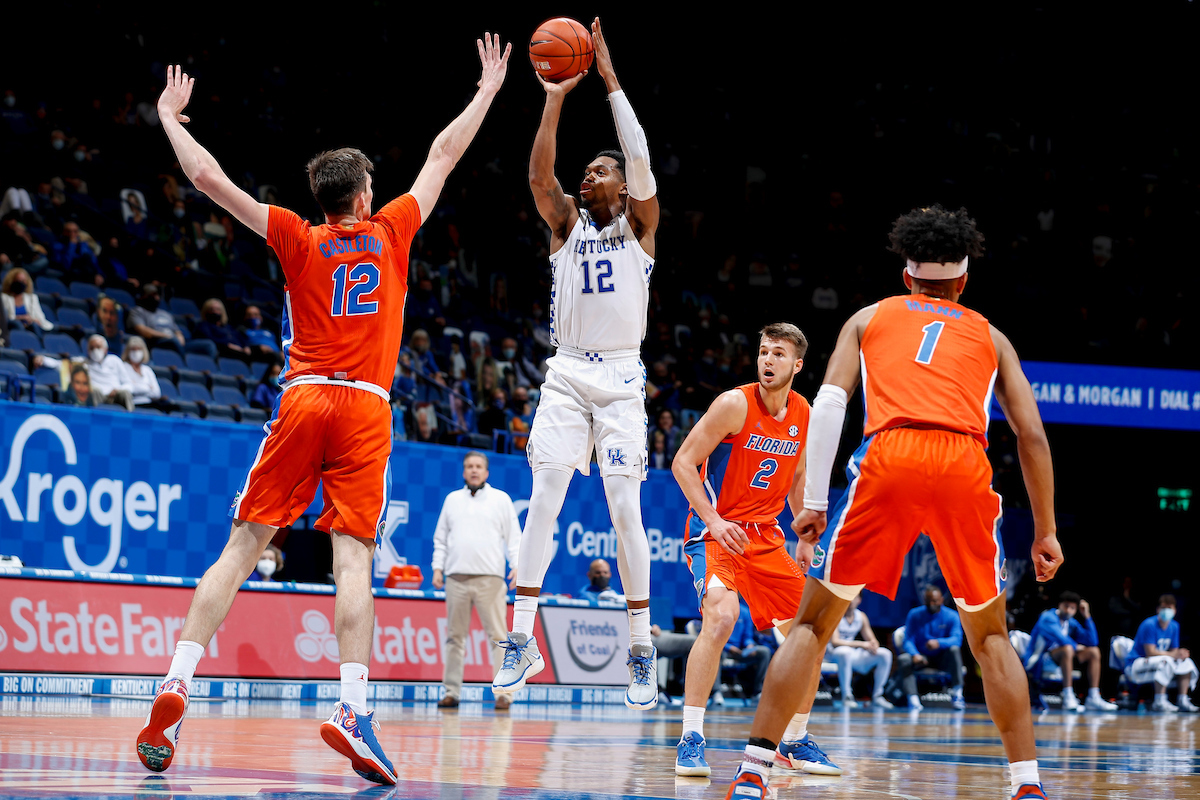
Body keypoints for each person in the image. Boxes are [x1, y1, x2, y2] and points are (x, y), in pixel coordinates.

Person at [136, 40, 511, 785]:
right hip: (366, 406)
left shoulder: (295, 236)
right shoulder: (393, 231)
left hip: (303, 396)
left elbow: (207, 177)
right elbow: (441, 155)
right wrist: (488, 89)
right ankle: (350, 705)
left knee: (243, 546)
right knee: (353, 560)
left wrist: (168, 117)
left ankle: (177, 680)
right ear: (366, 195)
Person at [724, 206, 1063, 800]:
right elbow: (1032, 436)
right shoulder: (991, 335)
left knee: (810, 624)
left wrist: (813, 501)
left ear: (907, 276)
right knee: (990, 638)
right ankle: (1027, 785)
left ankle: (753, 773)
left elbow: (829, 405)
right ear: (962, 282)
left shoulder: (868, 317)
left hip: (890, 455)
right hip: (964, 459)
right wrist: (1046, 531)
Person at [492, 18, 663, 712]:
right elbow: (538, 172)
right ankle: (520, 641)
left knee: (626, 510)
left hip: (622, 380)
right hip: (565, 373)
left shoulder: (641, 226)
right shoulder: (564, 224)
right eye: (587, 171)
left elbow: (644, 158)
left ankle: (642, 647)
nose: (589, 176)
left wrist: (612, 80)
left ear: (622, 189)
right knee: (544, 504)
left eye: (602, 171)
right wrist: (556, 94)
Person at [671, 324, 839, 778]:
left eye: (778, 354)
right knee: (722, 617)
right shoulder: (733, 403)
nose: (767, 360)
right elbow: (682, 463)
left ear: (797, 364)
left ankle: (795, 740)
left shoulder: (805, 415)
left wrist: (804, 535)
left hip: (765, 536)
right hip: (717, 532)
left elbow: (797, 482)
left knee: (810, 633)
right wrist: (713, 520)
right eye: (763, 351)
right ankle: (690, 737)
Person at [431, 451, 520, 711]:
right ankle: (451, 692)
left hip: (490, 579)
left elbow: (514, 537)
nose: (473, 470)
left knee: (499, 638)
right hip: (456, 577)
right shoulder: (452, 500)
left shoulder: (500, 499)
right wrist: (438, 567)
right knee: (454, 638)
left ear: (486, 472)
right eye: (469, 466)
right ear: (463, 471)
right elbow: (441, 538)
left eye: (478, 466)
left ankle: (504, 694)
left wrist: (516, 565)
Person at [1025, 591, 1116, 711]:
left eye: (1072, 608)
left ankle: (1093, 696)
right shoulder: (1048, 617)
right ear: (1060, 605)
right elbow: (1061, 639)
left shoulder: (1070, 622)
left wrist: (1087, 616)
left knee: (1094, 652)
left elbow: (1092, 641)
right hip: (1040, 660)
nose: (1068, 610)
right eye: (1066, 606)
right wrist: (1076, 646)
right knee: (1067, 649)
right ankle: (1068, 694)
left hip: (1061, 658)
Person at [1125, 594, 1199, 712]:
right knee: (1166, 661)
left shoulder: (1174, 626)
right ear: (1158, 609)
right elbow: (1150, 652)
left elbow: (1174, 650)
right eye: (1164, 608)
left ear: (1175, 610)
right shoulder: (1149, 624)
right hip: (1136, 662)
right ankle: (1159, 700)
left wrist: (1180, 654)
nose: (1166, 611)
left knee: (1187, 662)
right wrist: (1173, 655)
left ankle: (1183, 699)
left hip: (1155, 662)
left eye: (1170, 608)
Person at [896, 586, 965, 710]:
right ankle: (913, 699)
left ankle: (957, 694)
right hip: (922, 657)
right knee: (904, 659)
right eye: (928, 601)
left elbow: (957, 639)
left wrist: (939, 643)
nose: (931, 604)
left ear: (941, 600)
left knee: (954, 650)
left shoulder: (952, 616)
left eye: (935, 601)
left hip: (942, 658)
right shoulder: (915, 614)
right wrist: (914, 654)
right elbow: (908, 640)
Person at [829, 592, 893, 708]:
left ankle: (878, 695)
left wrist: (873, 645)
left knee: (885, 654)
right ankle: (847, 696)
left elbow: (872, 640)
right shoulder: (835, 614)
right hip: (834, 654)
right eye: (849, 596)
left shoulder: (861, 616)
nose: (851, 600)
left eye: (855, 597)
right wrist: (862, 644)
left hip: (852, 654)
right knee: (845, 652)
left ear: (859, 600)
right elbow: (835, 642)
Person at [128, 284, 186, 351]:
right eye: (152, 295)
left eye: (157, 295)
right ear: (143, 296)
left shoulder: (165, 314)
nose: (156, 298)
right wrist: (166, 336)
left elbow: (177, 331)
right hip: (156, 341)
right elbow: (142, 330)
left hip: (174, 342)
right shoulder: (137, 311)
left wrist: (180, 339)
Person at [85, 334, 134, 410]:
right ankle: (95, 418)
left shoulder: (115, 360)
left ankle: (130, 419)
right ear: (88, 351)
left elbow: (128, 383)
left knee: (125, 393)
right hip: (97, 395)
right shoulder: (84, 363)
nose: (95, 350)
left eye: (98, 347)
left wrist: (118, 389)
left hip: (115, 395)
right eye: (92, 348)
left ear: (105, 349)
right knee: (94, 390)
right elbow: (62, 365)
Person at [1, 267, 53, 331]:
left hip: (29, 328)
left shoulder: (32, 298)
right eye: (19, 281)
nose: (22, 283)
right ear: (12, 281)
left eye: (24, 281)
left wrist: (32, 319)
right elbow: (4, 318)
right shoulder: (4, 298)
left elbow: (40, 318)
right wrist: (21, 318)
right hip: (12, 328)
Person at [121, 336, 162, 407]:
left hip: (149, 404)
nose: (136, 352)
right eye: (133, 349)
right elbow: (129, 389)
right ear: (127, 351)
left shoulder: (148, 370)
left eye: (139, 349)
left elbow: (157, 393)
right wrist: (148, 388)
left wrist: (137, 385)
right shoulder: (123, 367)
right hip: (132, 404)